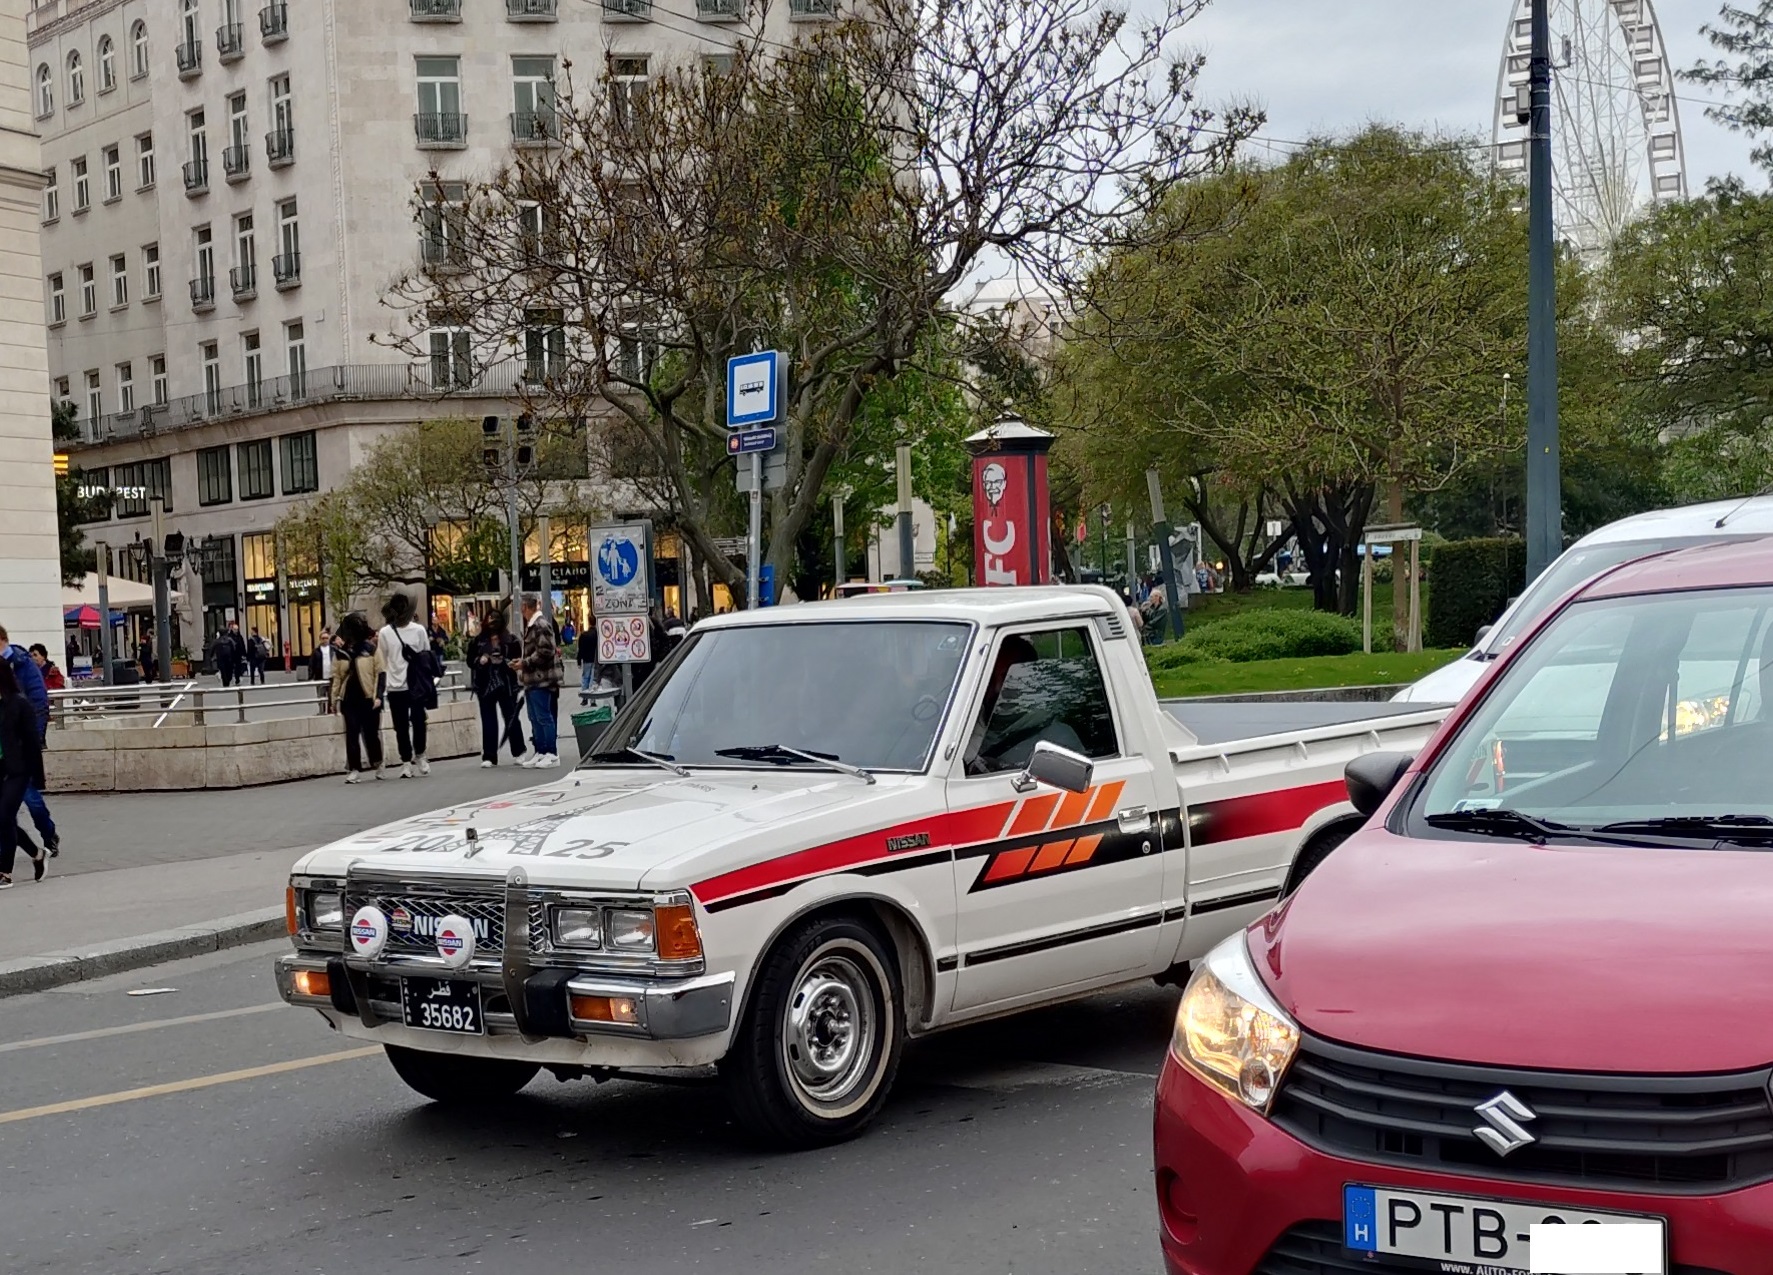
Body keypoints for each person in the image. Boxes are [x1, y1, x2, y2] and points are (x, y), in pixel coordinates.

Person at [0, 627, 57, 859]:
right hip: (5, 752)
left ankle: (48, 835)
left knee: (32, 800)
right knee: (5, 814)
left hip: (21, 751)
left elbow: (39, 700)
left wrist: (36, 736)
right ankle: (12, 857)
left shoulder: (23, 664)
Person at [0, 660, 49, 889]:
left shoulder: (19, 704)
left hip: (17, 769)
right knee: (3, 819)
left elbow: (32, 741)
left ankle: (5, 872)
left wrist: (37, 777)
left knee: (4, 815)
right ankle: (37, 853)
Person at [379, 594, 437, 779]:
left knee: (419, 722)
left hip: (416, 684)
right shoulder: (385, 633)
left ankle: (420, 754)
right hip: (395, 686)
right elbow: (382, 659)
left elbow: (426, 655)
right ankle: (405, 761)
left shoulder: (419, 630)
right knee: (400, 726)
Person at [329, 613, 386, 783]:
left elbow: (380, 674)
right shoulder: (341, 653)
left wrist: (378, 696)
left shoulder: (371, 650)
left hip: (368, 697)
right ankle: (354, 768)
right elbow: (336, 677)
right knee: (352, 733)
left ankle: (378, 762)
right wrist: (334, 700)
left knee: (371, 734)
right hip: (349, 699)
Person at [467, 609, 525, 766]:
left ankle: (519, 751)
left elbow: (517, 658)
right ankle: (489, 756)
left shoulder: (510, 640)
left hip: (506, 684)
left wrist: (506, 661)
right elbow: (470, 660)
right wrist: (480, 660)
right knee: (488, 721)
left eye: (495, 619)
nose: (492, 622)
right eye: (489, 618)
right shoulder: (478, 641)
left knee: (511, 718)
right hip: (486, 684)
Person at [517, 594, 562, 769]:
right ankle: (541, 751)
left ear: (525, 607)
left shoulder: (540, 625)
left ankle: (551, 753)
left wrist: (525, 663)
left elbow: (546, 650)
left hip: (541, 678)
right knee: (535, 717)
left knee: (543, 716)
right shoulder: (534, 625)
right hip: (533, 679)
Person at [308, 626, 337, 713]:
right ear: (320, 639)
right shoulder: (316, 651)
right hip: (320, 677)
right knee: (321, 696)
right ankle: (321, 711)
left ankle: (330, 711)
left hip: (331, 677)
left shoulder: (333, 649)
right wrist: (311, 676)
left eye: (327, 638)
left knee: (331, 696)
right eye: (323, 638)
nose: (325, 640)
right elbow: (311, 664)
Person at [577, 624, 597, 705]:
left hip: (586, 660)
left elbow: (580, 649)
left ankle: (585, 698)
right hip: (595, 660)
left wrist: (579, 660)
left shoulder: (583, 635)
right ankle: (593, 700)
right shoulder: (597, 635)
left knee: (585, 679)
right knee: (593, 680)